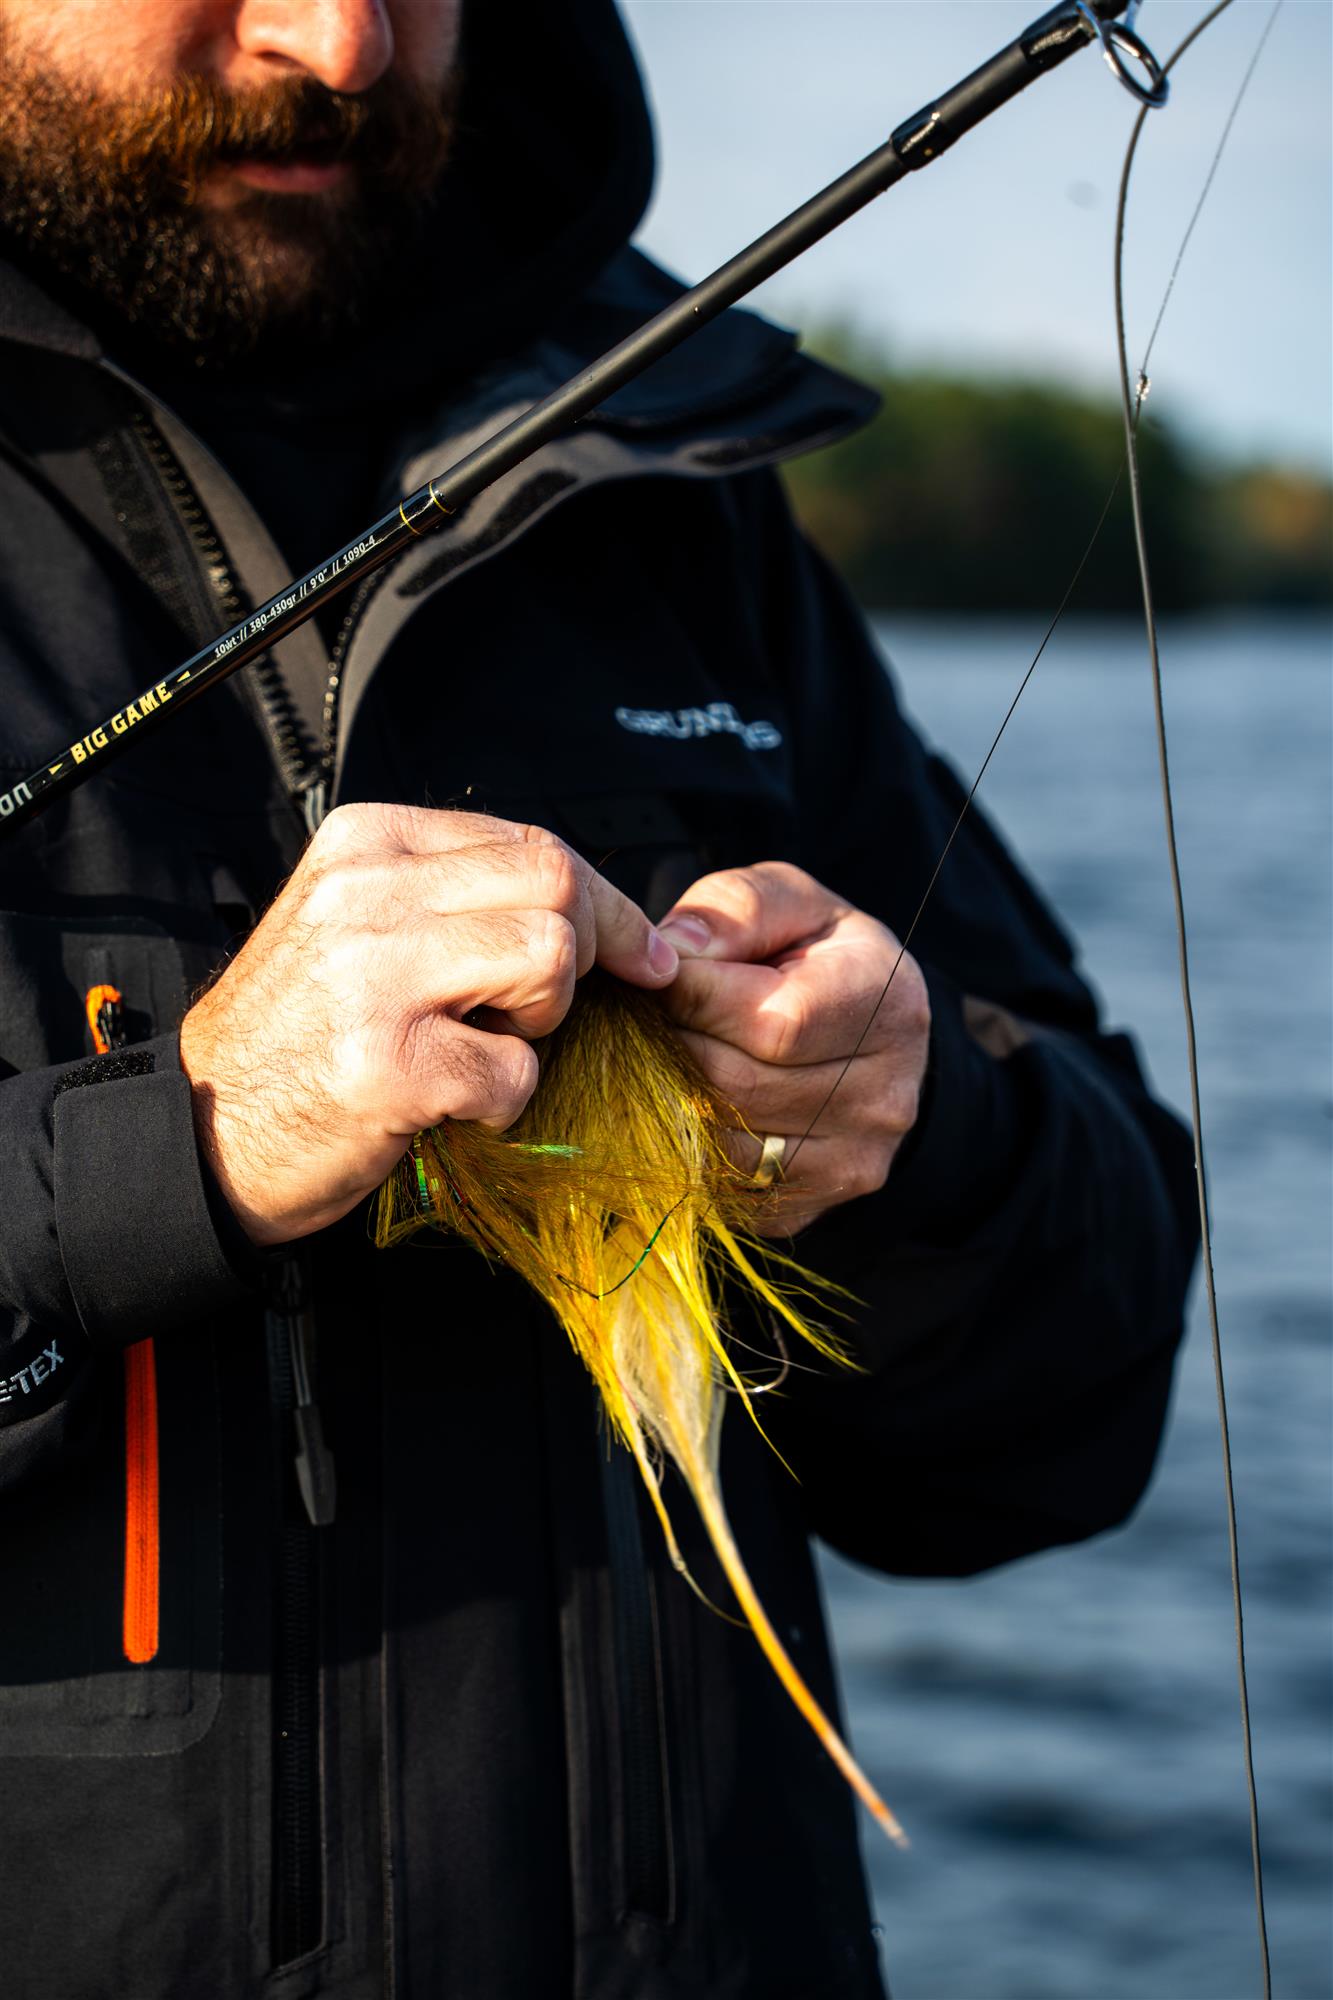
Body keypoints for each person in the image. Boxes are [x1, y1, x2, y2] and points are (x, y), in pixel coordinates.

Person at [0, 2, 1198, 1994]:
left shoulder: (674, 479)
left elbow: (1076, 1422)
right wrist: (179, 1152)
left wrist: (913, 1141)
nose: (343, 41)